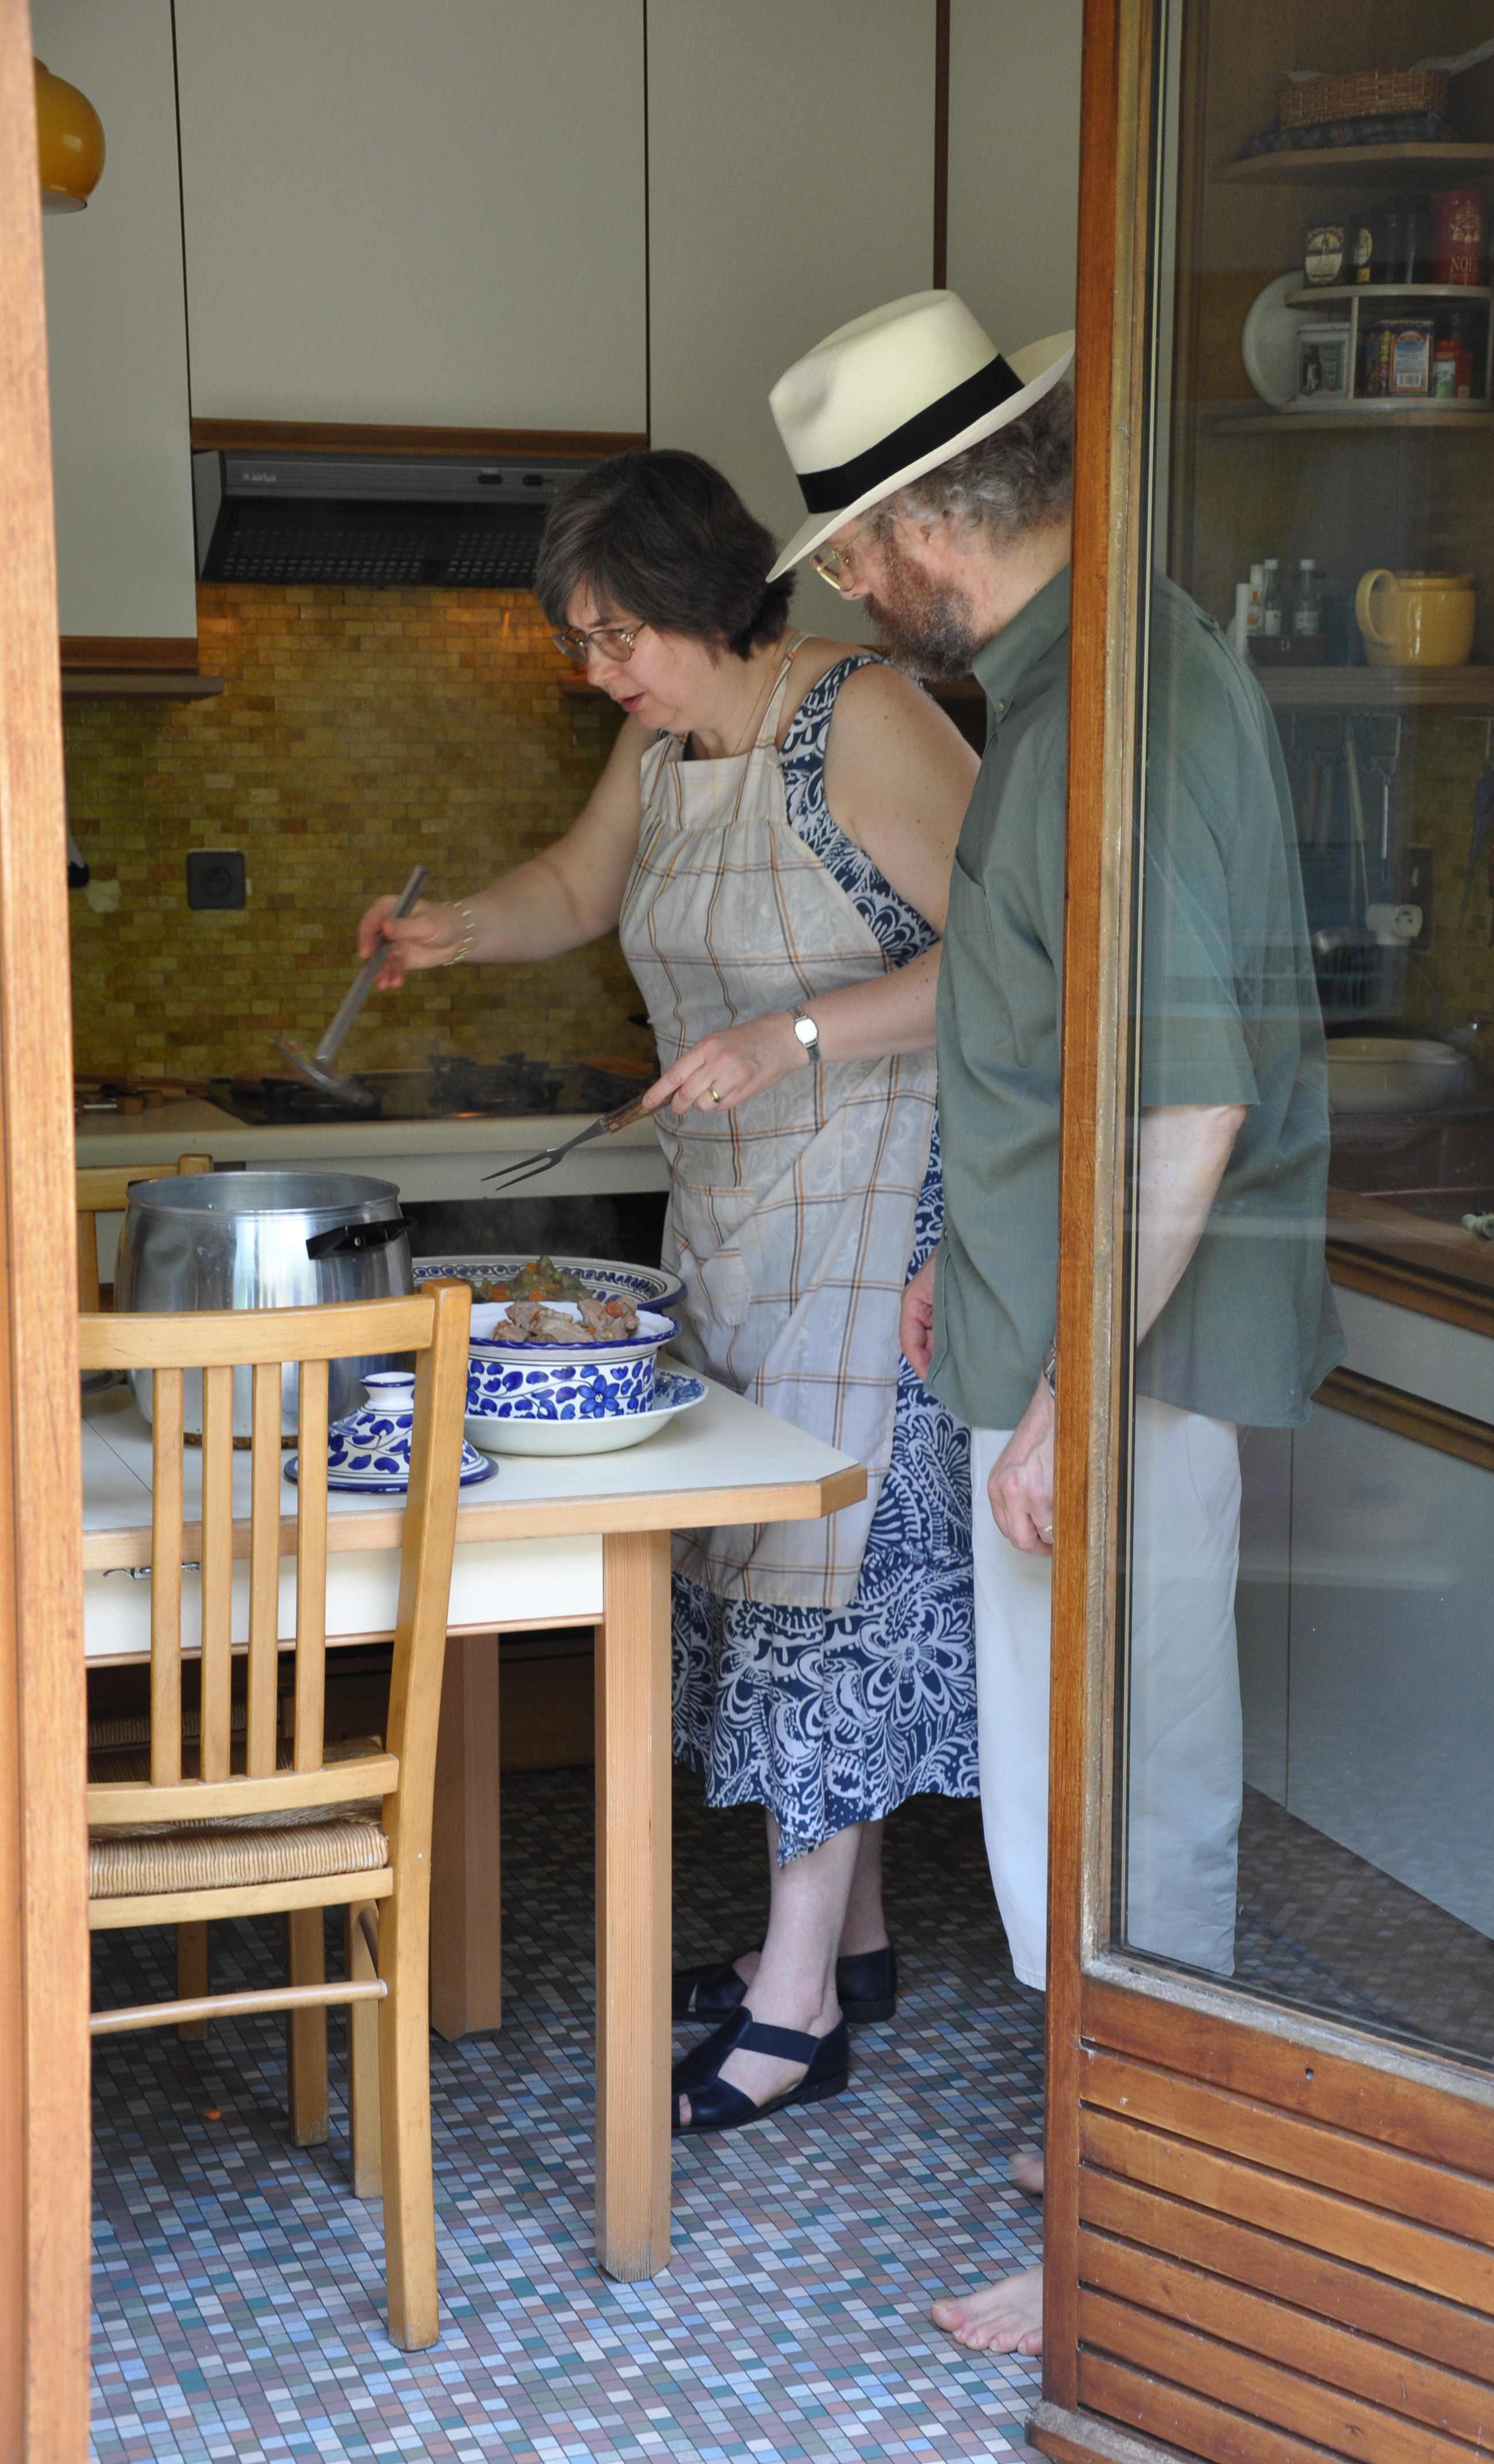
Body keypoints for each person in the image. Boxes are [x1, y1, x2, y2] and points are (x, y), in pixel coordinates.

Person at [765, 290, 1342, 2352]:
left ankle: (1149, 2241)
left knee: (1133, 1793)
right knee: (1058, 1790)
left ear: (922, 524)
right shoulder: (1061, 684)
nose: (852, 591)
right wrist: (980, 1259)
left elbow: (1191, 1107)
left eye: (850, 552)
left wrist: (1074, 1397)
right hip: (1064, 1338)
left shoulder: (1123, 704)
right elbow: (1055, 1042)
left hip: (1129, 1366)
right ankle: (1112, 2134)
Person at [360, 447, 981, 2135]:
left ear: (707, 598)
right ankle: (848, 1948)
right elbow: (578, 889)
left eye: (617, 635)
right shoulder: (664, 743)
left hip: (879, 1206)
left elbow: (1017, 958)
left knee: (823, 1597)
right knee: (750, 1578)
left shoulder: (863, 716)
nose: (597, 670)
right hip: (736, 1213)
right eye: (580, 641)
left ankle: (798, 2012)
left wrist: (793, 1034)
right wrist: (448, 932)